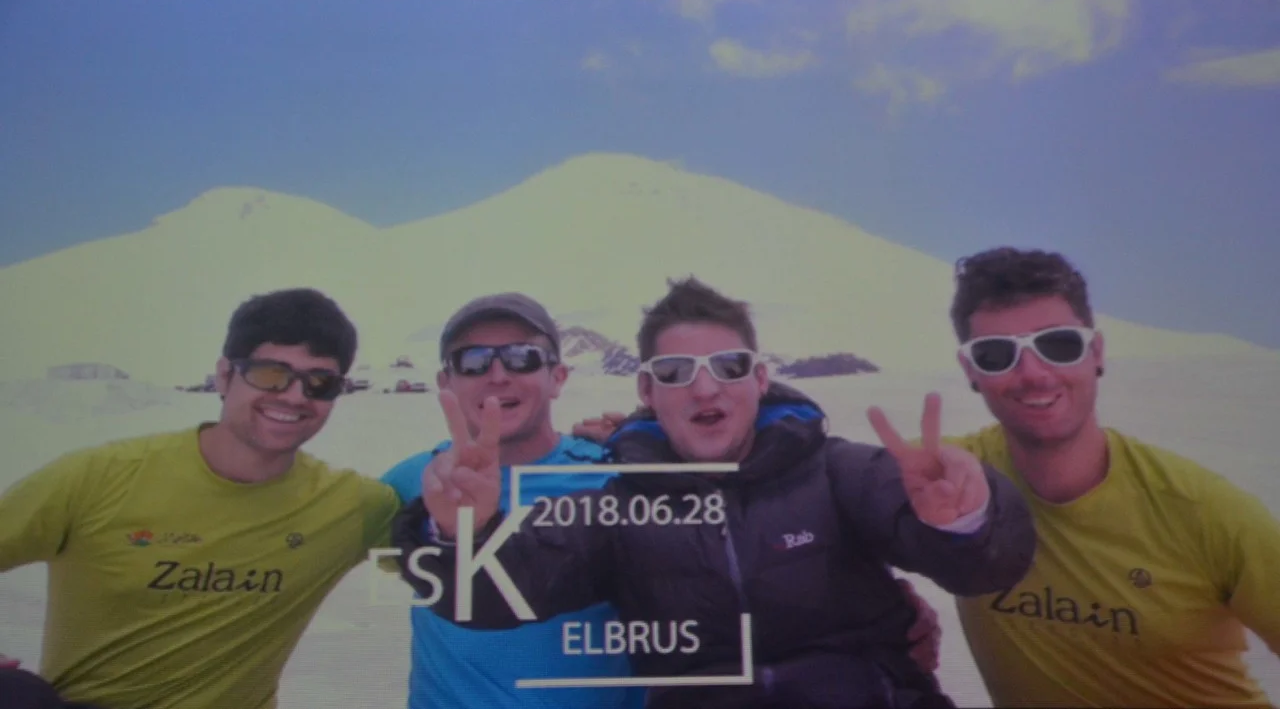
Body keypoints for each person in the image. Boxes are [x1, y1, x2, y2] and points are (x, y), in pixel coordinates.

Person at [389, 277, 1038, 709]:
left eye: (728, 367)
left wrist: (965, 519)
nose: (705, 389)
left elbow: (981, 565)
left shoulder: (835, 471)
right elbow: (505, 588)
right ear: (647, 391)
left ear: (760, 379)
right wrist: (461, 533)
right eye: (675, 372)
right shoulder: (619, 506)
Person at [0, 288, 402, 709]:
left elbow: (445, 571)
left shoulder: (355, 506)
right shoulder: (99, 477)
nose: (295, 396)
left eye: (320, 382)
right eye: (270, 374)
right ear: (224, 376)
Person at [936, 246, 1280, 707]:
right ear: (971, 370)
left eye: (1058, 344)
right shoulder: (948, 479)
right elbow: (845, 494)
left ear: (1095, 352)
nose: (1033, 374)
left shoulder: (1203, 511)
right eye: (996, 354)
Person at [379, 292, 646, 709]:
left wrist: (653, 436)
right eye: (473, 360)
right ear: (446, 382)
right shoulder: (414, 481)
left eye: (523, 357)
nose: (498, 375)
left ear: (557, 378)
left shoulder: (617, 478)